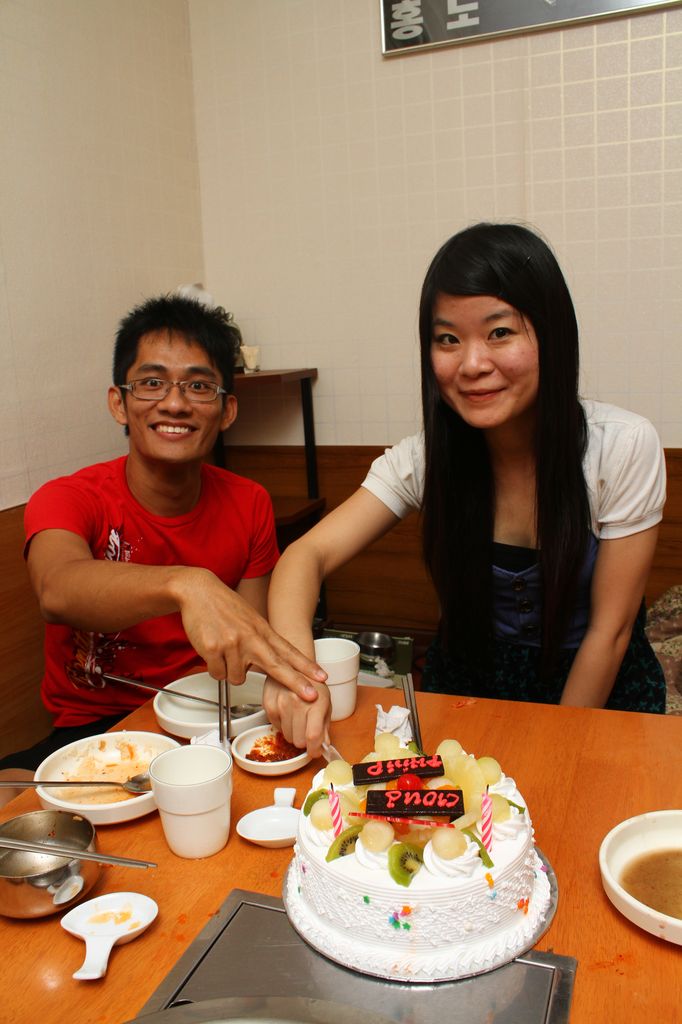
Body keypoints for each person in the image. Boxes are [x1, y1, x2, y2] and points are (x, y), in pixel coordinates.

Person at [263, 222, 667, 753]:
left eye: (500, 332)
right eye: (448, 339)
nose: (472, 365)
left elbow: (609, 633)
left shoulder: (620, 446)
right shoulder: (427, 458)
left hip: (595, 690)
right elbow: (305, 555)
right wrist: (292, 670)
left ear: (551, 335)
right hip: (467, 694)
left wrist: (551, 751)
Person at [0, 293, 325, 775]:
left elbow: (247, 641)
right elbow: (56, 589)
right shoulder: (69, 497)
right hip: (98, 735)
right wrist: (186, 584)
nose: (174, 404)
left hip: (211, 717)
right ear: (119, 403)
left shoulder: (249, 501)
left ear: (227, 410)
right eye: (152, 383)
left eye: (199, 386)